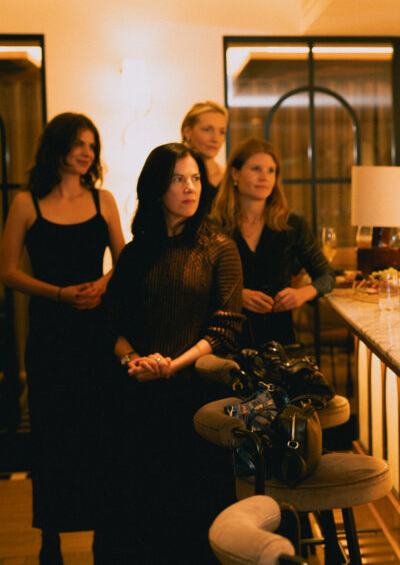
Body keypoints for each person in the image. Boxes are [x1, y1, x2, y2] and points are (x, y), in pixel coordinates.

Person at [96, 143, 244, 564]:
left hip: (198, 397)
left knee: (194, 510)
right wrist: (134, 361)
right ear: (157, 188)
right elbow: (110, 325)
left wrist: (170, 366)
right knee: (140, 510)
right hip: (137, 393)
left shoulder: (219, 246)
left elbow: (225, 329)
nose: (190, 187)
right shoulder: (135, 252)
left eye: (195, 178)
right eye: (178, 179)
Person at [0, 113, 125, 564]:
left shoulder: (103, 200)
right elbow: (7, 271)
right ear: (57, 146)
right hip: (51, 336)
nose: (87, 152)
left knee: (99, 432)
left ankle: (101, 535)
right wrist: (58, 293)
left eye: (92, 145)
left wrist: (102, 285)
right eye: (78, 143)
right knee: (52, 436)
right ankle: (49, 537)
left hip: (97, 332)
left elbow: (124, 261)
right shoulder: (25, 203)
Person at [210, 138, 333, 347]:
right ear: (235, 174)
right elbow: (200, 285)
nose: (264, 177)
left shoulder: (292, 225)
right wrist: (237, 295)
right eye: (256, 169)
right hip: (226, 340)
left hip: (280, 341)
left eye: (271, 171)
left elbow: (327, 276)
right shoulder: (214, 226)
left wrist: (302, 294)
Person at [181, 100, 228, 186]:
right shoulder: (171, 172)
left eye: (222, 132)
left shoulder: (228, 176)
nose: (215, 139)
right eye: (207, 129)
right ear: (187, 132)